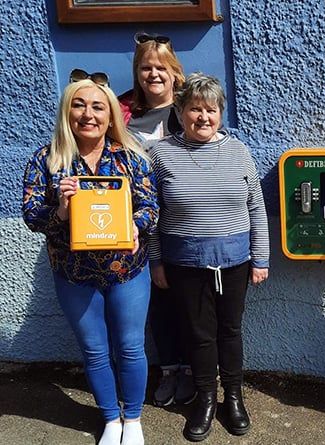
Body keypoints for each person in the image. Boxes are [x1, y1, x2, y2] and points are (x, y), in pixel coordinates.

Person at [22, 70, 159, 445]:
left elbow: (151, 207)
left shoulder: (131, 156)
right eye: (79, 105)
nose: (88, 114)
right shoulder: (46, 161)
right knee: (95, 350)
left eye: (98, 107)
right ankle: (110, 420)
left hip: (127, 271)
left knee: (130, 346)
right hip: (74, 273)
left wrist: (135, 225)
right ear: (67, 112)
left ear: (110, 114)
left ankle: (133, 419)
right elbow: (32, 215)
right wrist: (61, 212)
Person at [149, 72, 270, 441]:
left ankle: (232, 397)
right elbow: (150, 216)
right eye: (195, 109)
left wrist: (260, 258)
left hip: (235, 261)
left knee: (230, 332)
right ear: (181, 111)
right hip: (184, 264)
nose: (204, 117)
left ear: (221, 114)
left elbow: (256, 207)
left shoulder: (237, 150)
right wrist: (155, 261)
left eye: (212, 110)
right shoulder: (160, 154)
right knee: (198, 336)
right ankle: (204, 398)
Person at [119, 32, 195, 408]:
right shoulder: (122, 111)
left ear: (174, 72)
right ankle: (169, 370)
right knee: (157, 298)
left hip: (184, 221)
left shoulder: (188, 109)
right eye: (146, 67)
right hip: (136, 222)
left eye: (161, 67)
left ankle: (194, 372)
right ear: (137, 72)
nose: (154, 74)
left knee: (188, 298)